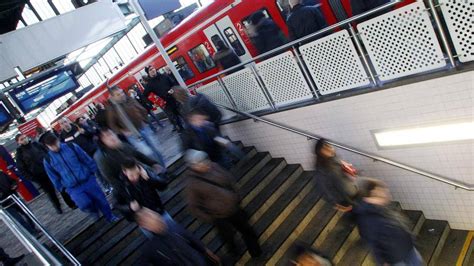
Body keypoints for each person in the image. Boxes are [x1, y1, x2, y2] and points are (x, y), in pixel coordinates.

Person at [114, 158, 213, 265]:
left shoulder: (145, 173)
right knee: (162, 246)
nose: (135, 178)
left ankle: (195, 256)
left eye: (136, 174)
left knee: (178, 235)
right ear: (124, 172)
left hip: (160, 212)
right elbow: (117, 205)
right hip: (144, 221)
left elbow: (163, 185)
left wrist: (149, 178)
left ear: (138, 169)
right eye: (131, 175)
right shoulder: (120, 185)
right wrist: (129, 207)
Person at [185, 150, 262, 258]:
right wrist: (210, 218)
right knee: (228, 238)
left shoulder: (214, 166)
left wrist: (237, 196)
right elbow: (193, 207)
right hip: (219, 217)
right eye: (201, 163)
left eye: (206, 160)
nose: (206, 164)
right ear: (193, 166)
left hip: (234, 209)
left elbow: (230, 180)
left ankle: (256, 253)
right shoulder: (192, 184)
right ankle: (235, 253)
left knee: (248, 231)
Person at [42, 134, 117, 222]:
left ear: (58, 140)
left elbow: (85, 158)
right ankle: (94, 210)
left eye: (55, 144)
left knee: (101, 199)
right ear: (47, 146)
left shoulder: (71, 147)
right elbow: (53, 176)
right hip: (72, 187)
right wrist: (63, 188)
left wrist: (92, 172)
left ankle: (110, 217)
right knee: (84, 204)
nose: (55, 147)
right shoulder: (47, 160)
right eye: (52, 146)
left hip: (87, 179)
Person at [353, 179, 423, 266]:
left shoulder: (380, 208)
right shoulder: (367, 219)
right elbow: (372, 243)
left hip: (408, 249)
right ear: (371, 195)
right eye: (381, 191)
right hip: (396, 258)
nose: (386, 193)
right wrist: (382, 262)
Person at [106, 86, 165, 168]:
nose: (122, 95)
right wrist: (122, 131)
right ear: (113, 97)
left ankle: (164, 168)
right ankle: (160, 170)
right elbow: (112, 125)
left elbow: (141, 109)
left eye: (122, 92)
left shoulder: (129, 99)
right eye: (118, 94)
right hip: (132, 135)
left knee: (156, 149)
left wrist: (144, 120)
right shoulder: (112, 109)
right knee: (148, 153)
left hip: (143, 127)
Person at [95, 128, 165, 188]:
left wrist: (153, 164)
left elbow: (137, 154)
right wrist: (130, 198)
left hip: (140, 174)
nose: (111, 137)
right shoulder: (102, 157)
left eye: (111, 134)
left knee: (161, 181)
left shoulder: (122, 145)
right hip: (129, 185)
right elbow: (112, 180)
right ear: (102, 141)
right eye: (107, 136)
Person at [15, 134, 63, 214]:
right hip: (39, 176)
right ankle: (57, 206)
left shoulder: (36, 144)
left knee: (62, 186)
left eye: (25, 137)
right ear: (18, 142)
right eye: (21, 139)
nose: (24, 139)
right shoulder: (19, 154)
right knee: (50, 192)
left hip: (50, 170)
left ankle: (71, 203)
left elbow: (47, 152)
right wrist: (32, 178)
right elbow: (22, 169)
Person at [314, 139, 358, 211]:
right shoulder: (323, 169)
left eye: (329, 146)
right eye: (325, 148)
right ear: (320, 152)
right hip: (348, 197)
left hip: (352, 189)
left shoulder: (333, 158)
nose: (330, 149)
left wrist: (347, 168)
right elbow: (324, 189)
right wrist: (336, 204)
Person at [143, 66, 184, 131]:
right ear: (148, 73)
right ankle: (181, 130)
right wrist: (152, 103)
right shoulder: (149, 84)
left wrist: (172, 89)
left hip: (174, 99)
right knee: (175, 120)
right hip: (165, 105)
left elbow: (173, 83)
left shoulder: (164, 76)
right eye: (150, 70)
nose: (153, 70)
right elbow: (145, 96)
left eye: (153, 68)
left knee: (183, 114)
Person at [0, 171, 39, 235]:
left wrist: (14, 185)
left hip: (15, 198)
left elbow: (13, 181)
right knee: (19, 220)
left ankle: (32, 228)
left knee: (28, 213)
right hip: (5, 204)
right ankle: (32, 233)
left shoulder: (1, 174)